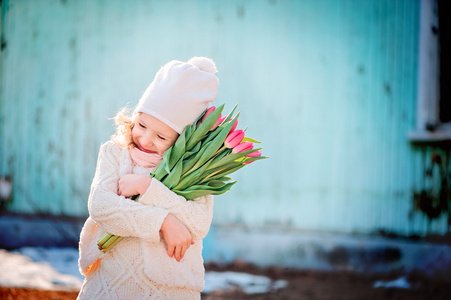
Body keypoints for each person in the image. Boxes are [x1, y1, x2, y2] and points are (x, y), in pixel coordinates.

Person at [77, 57, 219, 299]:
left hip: (170, 291)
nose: (144, 140)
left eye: (161, 137)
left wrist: (148, 187)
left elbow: (198, 223)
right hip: (111, 285)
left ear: (182, 140)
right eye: (141, 125)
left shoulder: (194, 170)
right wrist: (164, 221)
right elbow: (102, 207)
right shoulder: (115, 153)